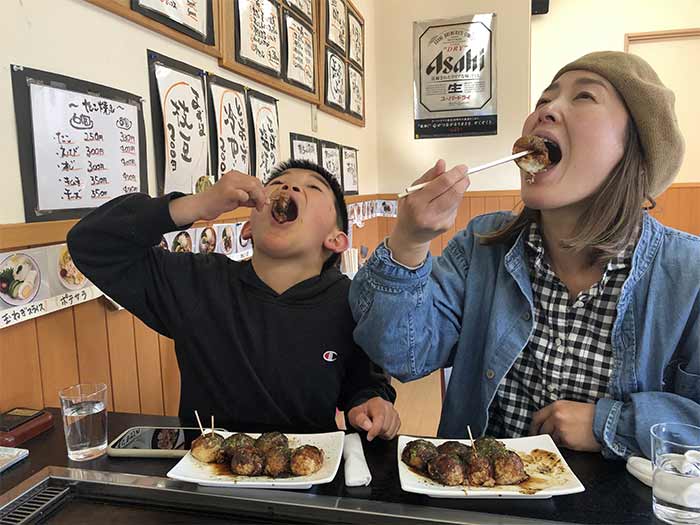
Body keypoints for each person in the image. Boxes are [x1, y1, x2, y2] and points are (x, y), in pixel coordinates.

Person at [349, 51, 700, 459]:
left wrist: (610, 424)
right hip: (481, 501)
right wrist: (409, 242)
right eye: (543, 101)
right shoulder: (484, 244)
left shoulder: (688, 274)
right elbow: (404, 357)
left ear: (634, 149)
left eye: (584, 97)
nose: (546, 110)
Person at [68, 159, 400, 441]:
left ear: (337, 240)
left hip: (312, 475)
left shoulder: (352, 302)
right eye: (278, 184)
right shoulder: (197, 282)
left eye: (312, 188)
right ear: (247, 229)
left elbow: (366, 386)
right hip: (207, 476)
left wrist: (371, 404)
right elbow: (89, 243)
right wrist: (195, 204)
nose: (289, 190)